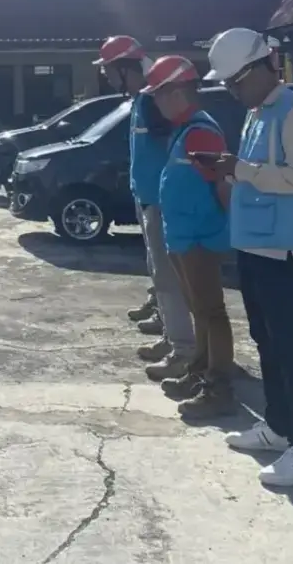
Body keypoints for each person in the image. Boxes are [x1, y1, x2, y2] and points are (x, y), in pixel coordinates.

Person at [206, 27, 293, 487]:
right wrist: (232, 171)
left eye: (234, 82)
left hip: (281, 248)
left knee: (290, 348)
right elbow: (255, 172)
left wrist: (242, 169)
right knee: (266, 341)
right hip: (253, 243)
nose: (231, 91)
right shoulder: (257, 114)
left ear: (257, 70)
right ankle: (278, 427)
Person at [94, 36, 197, 372]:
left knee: (168, 277)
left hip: (162, 202)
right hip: (148, 198)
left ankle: (183, 349)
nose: (107, 77)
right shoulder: (142, 99)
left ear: (125, 68)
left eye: (110, 71)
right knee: (159, 272)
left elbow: (174, 148)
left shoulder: (155, 101)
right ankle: (171, 334)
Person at [143, 56, 236, 418]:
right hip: (184, 236)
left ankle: (219, 387)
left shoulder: (200, 131)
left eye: (159, 95)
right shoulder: (184, 130)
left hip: (200, 237)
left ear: (177, 93)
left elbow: (221, 184)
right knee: (200, 309)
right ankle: (199, 372)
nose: (156, 103)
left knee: (211, 311)